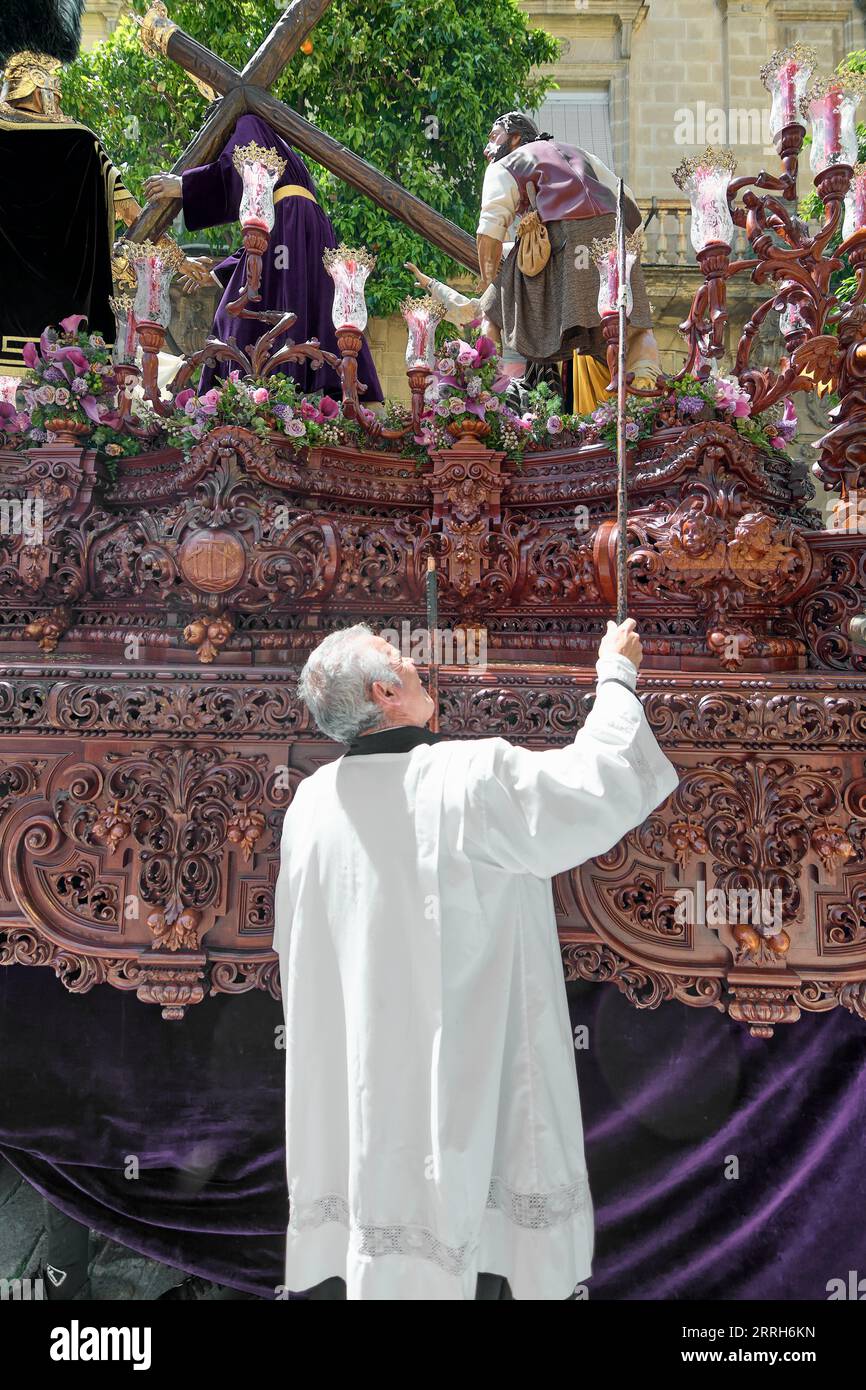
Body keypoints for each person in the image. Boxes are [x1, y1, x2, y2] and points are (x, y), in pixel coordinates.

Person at [273, 617, 679, 1300]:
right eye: (405, 663)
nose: (418, 666)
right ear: (385, 692)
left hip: (361, 1066)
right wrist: (616, 673)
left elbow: (296, 945)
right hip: (468, 1060)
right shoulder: (469, 775)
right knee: (479, 1216)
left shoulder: (311, 802)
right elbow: (598, 783)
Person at [0, 3, 205, 389]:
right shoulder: (82, 143)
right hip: (69, 349)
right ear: (44, 87)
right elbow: (136, 218)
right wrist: (181, 260)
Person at [144, 113, 384, 402]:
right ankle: (275, 389)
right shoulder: (281, 150)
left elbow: (241, 170)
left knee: (247, 316)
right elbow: (258, 221)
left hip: (289, 225)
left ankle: (251, 395)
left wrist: (184, 186)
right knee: (293, 307)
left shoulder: (247, 121)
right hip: (297, 226)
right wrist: (221, 272)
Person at [476, 111, 661, 412]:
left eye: (493, 137)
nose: (488, 147)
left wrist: (486, 278)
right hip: (614, 237)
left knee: (491, 308)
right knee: (634, 325)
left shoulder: (510, 162)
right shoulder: (581, 154)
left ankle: (482, 388)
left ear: (515, 138)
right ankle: (644, 396)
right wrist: (627, 256)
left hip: (562, 235)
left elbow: (490, 227)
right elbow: (627, 200)